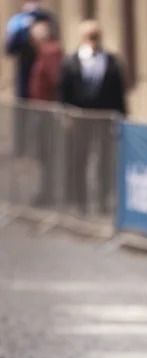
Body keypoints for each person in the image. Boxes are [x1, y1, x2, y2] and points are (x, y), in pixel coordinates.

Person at [59, 20, 126, 213]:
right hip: (79, 119)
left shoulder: (111, 61)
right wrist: (66, 114)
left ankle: (104, 201)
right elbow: (63, 91)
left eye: (96, 36)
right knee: (79, 160)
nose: (93, 40)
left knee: (105, 161)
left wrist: (120, 118)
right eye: (90, 36)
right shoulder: (71, 62)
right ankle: (79, 201)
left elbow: (118, 93)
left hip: (104, 118)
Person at [4, 1, 56, 157]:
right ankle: (24, 148)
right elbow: (9, 48)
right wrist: (25, 29)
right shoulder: (19, 21)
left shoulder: (46, 18)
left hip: (44, 80)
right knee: (25, 113)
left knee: (44, 114)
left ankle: (45, 147)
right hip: (26, 78)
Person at [27, 20, 63, 207]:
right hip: (42, 113)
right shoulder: (43, 53)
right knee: (44, 156)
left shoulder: (51, 53)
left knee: (50, 155)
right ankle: (46, 191)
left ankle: (51, 193)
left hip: (48, 114)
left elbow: (56, 80)